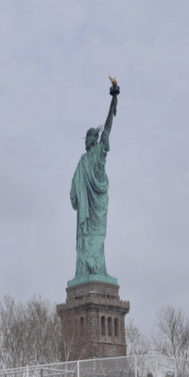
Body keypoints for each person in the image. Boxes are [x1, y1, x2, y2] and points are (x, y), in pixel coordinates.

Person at [69, 79, 120, 282]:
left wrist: (113, 101)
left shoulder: (98, 151)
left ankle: (98, 271)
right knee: (88, 237)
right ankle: (85, 272)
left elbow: (107, 128)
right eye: (89, 137)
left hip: (97, 203)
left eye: (89, 137)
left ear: (93, 139)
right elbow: (73, 194)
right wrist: (76, 199)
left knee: (98, 238)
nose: (88, 140)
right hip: (89, 207)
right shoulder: (82, 163)